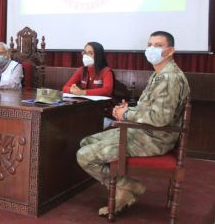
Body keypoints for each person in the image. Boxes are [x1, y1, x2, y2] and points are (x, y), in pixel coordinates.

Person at [76, 31, 190, 216]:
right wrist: (127, 111)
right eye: (150, 44)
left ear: (170, 51)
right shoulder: (159, 74)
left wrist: (127, 115)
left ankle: (126, 187)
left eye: (158, 45)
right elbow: (150, 110)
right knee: (86, 142)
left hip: (154, 138)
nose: (152, 49)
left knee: (84, 155)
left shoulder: (169, 78)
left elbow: (160, 119)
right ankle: (126, 188)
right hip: (143, 131)